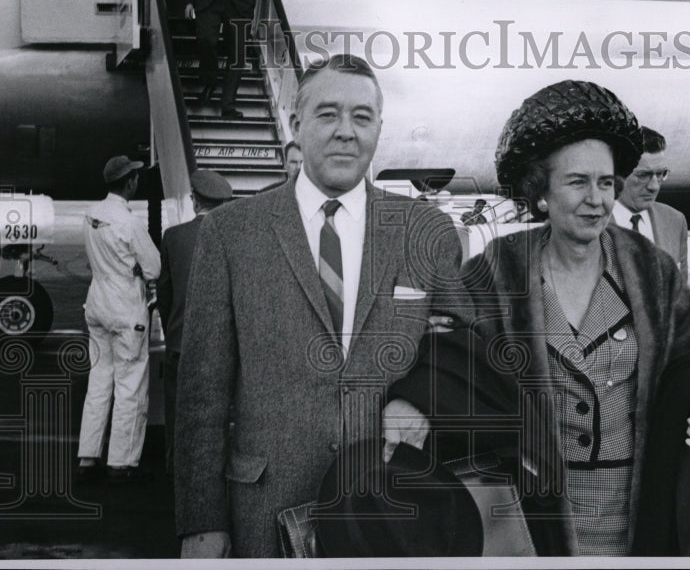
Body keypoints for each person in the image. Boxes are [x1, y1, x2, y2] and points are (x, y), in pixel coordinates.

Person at [388, 81, 690, 555]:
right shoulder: (501, 267)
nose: (597, 199)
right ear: (541, 194)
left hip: (644, 511)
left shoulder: (650, 271)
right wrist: (413, 402)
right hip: (533, 517)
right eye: (577, 182)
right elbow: (449, 350)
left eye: (605, 183)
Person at [174, 54, 474, 558]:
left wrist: (416, 398)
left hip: (389, 507)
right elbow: (202, 391)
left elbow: (460, 345)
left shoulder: (425, 230)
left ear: (379, 127)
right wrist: (201, 522)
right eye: (328, 114)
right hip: (265, 509)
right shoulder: (231, 233)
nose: (345, 132)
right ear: (296, 124)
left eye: (362, 117)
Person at [76, 155, 160, 482]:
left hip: (96, 302)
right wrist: (136, 268)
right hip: (126, 308)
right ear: (129, 183)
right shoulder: (130, 223)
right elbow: (153, 267)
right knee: (129, 386)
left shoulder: (91, 215)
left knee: (98, 382)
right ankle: (120, 462)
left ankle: (87, 455)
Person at [155, 169, 232, 477]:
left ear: (193, 200)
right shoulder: (234, 238)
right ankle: (214, 469)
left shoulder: (173, 237)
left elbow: (164, 292)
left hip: (180, 340)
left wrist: (172, 327)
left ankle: (176, 468)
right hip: (221, 343)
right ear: (223, 203)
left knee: (178, 409)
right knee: (218, 411)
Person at [611, 126, 688, 278]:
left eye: (660, 174)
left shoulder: (675, 221)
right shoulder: (589, 224)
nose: (654, 186)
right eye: (643, 175)